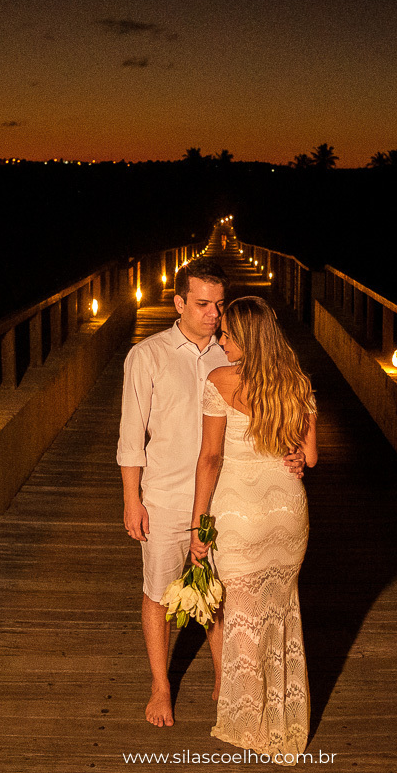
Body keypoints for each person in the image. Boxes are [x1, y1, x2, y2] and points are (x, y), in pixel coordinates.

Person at [118, 259, 306, 728]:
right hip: (163, 495)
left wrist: (293, 454)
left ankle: (226, 682)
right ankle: (161, 687)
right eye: (202, 305)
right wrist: (131, 499)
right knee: (159, 594)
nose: (213, 315)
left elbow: (266, 416)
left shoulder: (234, 355)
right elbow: (130, 437)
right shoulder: (148, 355)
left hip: (226, 503)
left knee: (221, 596)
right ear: (179, 302)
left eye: (219, 306)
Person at [189, 295, 317, 762]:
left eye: (226, 335)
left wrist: (199, 525)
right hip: (287, 512)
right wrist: (298, 459)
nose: (219, 341)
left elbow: (210, 458)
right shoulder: (297, 382)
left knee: (242, 621)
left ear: (247, 338)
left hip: (238, 518)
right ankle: (286, 725)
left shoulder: (220, 382)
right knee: (282, 617)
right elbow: (312, 457)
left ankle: (251, 727)